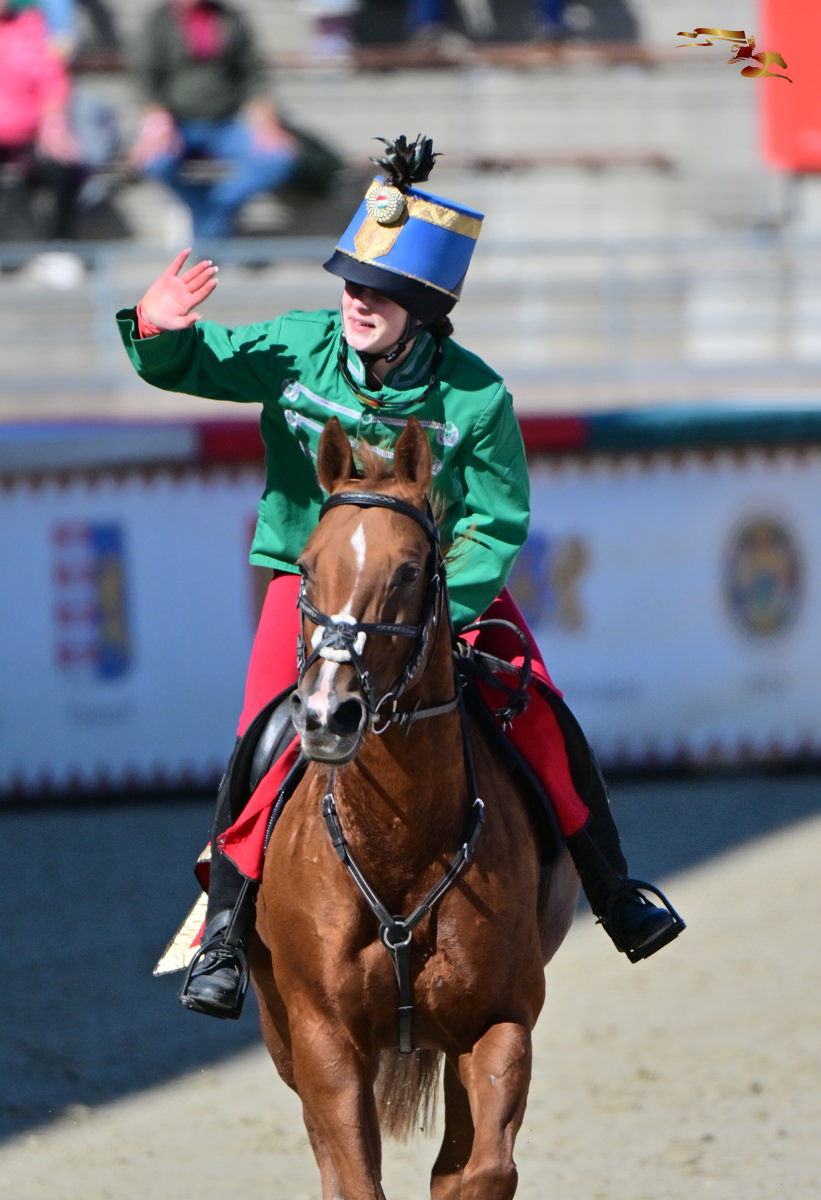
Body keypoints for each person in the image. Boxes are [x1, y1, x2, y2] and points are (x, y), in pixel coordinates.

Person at [117, 133, 684, 1020]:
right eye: (349, 283)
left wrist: (441, 613)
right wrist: (156, 327)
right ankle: (222, 930)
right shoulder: (296, 346)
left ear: (422, 308)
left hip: (443, 593)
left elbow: (495, 523)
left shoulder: (477, 398)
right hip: (312, 589)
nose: (356, 301)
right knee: (263, 734)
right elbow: (192, 363)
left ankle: (616, 893)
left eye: (377, 291)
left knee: (541, 714)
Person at [127, 0, 299, 241]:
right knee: (155, 161)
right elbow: (144, 78)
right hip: (177, 124)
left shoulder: (230, 19)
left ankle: (208, 214)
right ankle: (209, 222)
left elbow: (253, 74)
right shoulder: (156, 23)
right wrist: (156, 120)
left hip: (226, 124)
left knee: (278, 159)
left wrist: (264, 116)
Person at [0, 0, 86, 283]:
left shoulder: (32, 26)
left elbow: (52, 76)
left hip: (30, 133)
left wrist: (54, 118)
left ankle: (60, 247)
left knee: (64, 167)